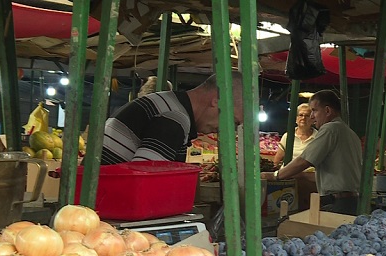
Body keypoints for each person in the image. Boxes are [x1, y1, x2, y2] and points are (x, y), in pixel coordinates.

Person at [101, 72, 243, 164]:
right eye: (233, 121)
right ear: (218, 101)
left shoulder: (169, 103)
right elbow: (147, 181)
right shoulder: (174, 118)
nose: (227, 130)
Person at [261, 90, 362, 215]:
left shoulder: (330, 129)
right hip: (351, 201)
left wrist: (275, 176)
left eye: (314, 110)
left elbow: (304, 160)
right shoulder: (350, 133)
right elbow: (335, 173)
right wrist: (302, 176)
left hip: (337, 203)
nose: (312, 116)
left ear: (327, 111)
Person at [273, 103, 318, 167]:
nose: (303, 118)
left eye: (307, 115)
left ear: (313, 119)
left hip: (308, 174)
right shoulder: (287, 136)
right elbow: (277, 161)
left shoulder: (318, 137)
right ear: (296, 119)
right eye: (300, 115)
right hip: (287, 174)